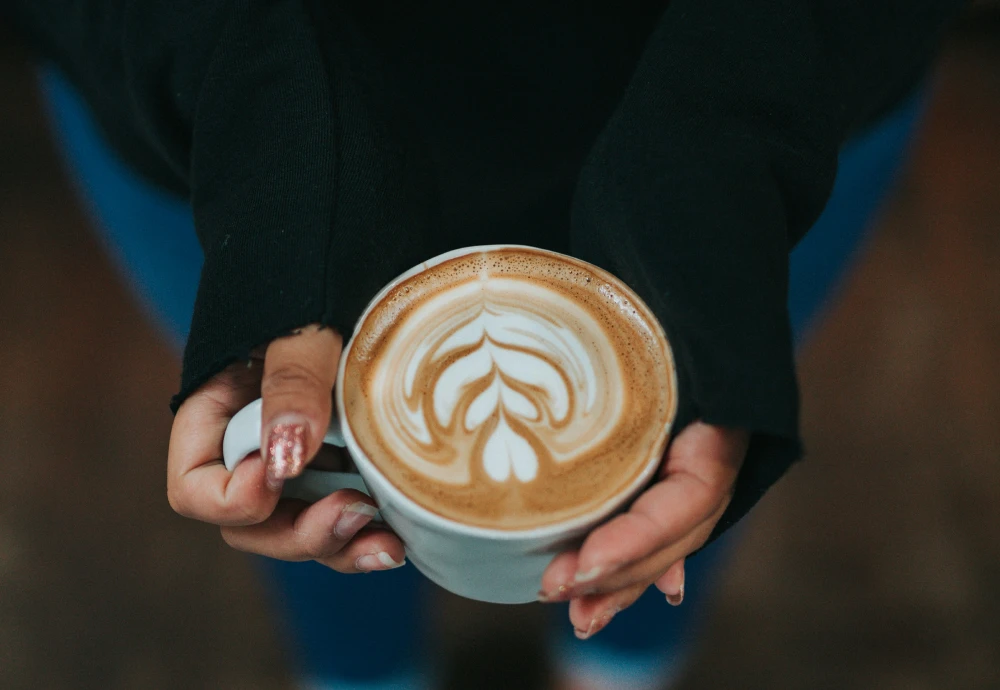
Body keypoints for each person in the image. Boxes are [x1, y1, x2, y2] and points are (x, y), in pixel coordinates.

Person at [3, 2, 966, 688]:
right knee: (300, 471)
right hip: (215, 85)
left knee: (702, 439)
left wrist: (720, 165)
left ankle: (623, 669)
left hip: (777, 68)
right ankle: (364, 675)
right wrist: (280, 153)